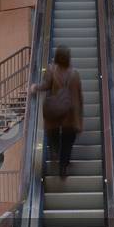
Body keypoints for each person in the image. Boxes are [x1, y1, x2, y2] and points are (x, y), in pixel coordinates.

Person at [31, 46, 83, 179]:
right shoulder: (74, 74)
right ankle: (63, 167)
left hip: (54, 112)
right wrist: (79, 121)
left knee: (52, 133)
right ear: (68, 58)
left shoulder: (51, 70)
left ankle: (54, 150)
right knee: (68, 141)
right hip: (69, 116)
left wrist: (35, 87)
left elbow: (46, 85)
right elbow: (78, 98)